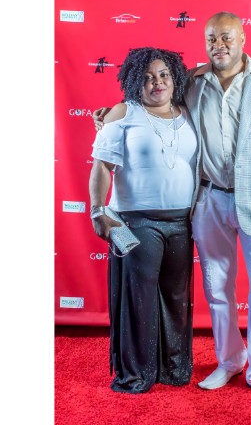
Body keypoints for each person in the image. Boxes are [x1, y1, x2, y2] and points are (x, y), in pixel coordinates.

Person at [94, 12, 251, 404]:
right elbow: (149, 95)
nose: (218, 45)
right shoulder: (192, 81)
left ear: (242, 38)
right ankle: (229, 360)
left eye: (226, 37)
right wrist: (111, 112)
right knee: (217, 288)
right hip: (209, 200)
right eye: (211, 39)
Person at [88, 47, 198, 394]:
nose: (157, 82)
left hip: (182, 222)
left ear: (175, 79)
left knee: (176, 297)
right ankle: (136, 373)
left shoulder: (189, 113)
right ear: (136, 81)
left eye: (164, 75)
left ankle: (174, 368)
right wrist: (97, 210)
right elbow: (102, 166)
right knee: (139, 300)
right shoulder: (123, 113)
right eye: (148, 77)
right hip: (136, 221)